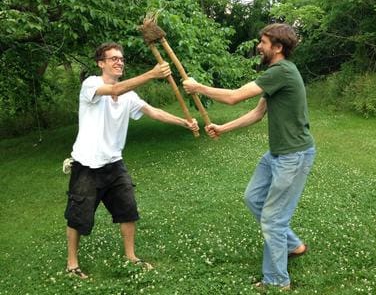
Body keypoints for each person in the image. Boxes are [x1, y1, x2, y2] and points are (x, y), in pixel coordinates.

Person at [183, 23, 315, 290]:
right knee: (253, 197)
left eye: (263, 42)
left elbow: (233, 97)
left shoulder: (281, 71)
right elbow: (257, 113)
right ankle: (293, 245)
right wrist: (223, 128)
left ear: (278, 48)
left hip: (293, 156)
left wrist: (198, 88)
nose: (259, 46)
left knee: (272, 219)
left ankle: (277, 281)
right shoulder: (275, 74)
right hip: (277, 153)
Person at [65, 42, 199, 279]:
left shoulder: (129, 95)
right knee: (78, 215)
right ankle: (72, 264)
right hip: (87, 163)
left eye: (121, 59)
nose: (119, 62)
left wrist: (184, 123)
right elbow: (114, 91)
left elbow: (153, 111)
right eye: (113, 58)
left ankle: (131, 256)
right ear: (101, 63)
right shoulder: (91, 85)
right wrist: (152, 74)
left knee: (128, 210)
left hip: (114, 163)